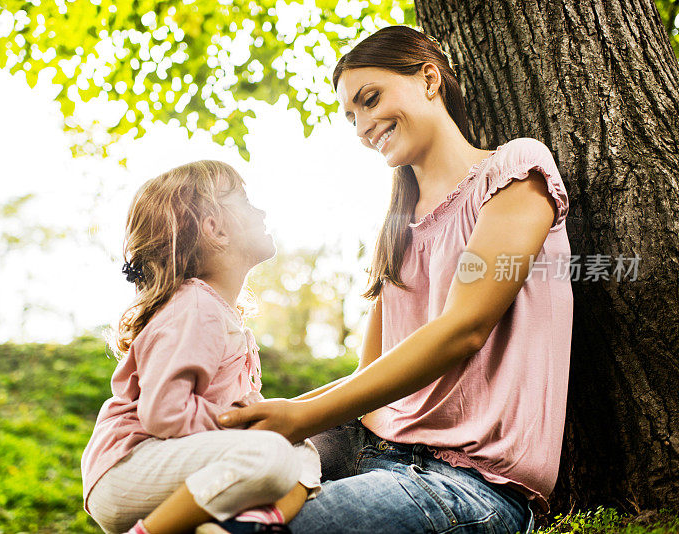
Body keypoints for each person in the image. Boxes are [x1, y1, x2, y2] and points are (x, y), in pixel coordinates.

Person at [218, 25, 572, 534]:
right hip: (366, 448)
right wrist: (278, 413)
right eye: (351, 117)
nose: (362, 125)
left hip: (467, 484)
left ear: (429, 79)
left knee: (252, 530)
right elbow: (372, 377)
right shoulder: (395, 229)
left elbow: (464, 329)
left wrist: (299, 420)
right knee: (201, 501)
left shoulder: (514, 169)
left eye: (370, 99)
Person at [81, 161, 321, 534]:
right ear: (215, 228)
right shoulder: (196, 307)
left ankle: (245, 527)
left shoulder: (217, 313)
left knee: (301, 451)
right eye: (244, 200)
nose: (261, 211)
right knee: (272, 451)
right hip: (128, 466)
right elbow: (165, 412)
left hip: (172, 464)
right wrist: (238, 425)